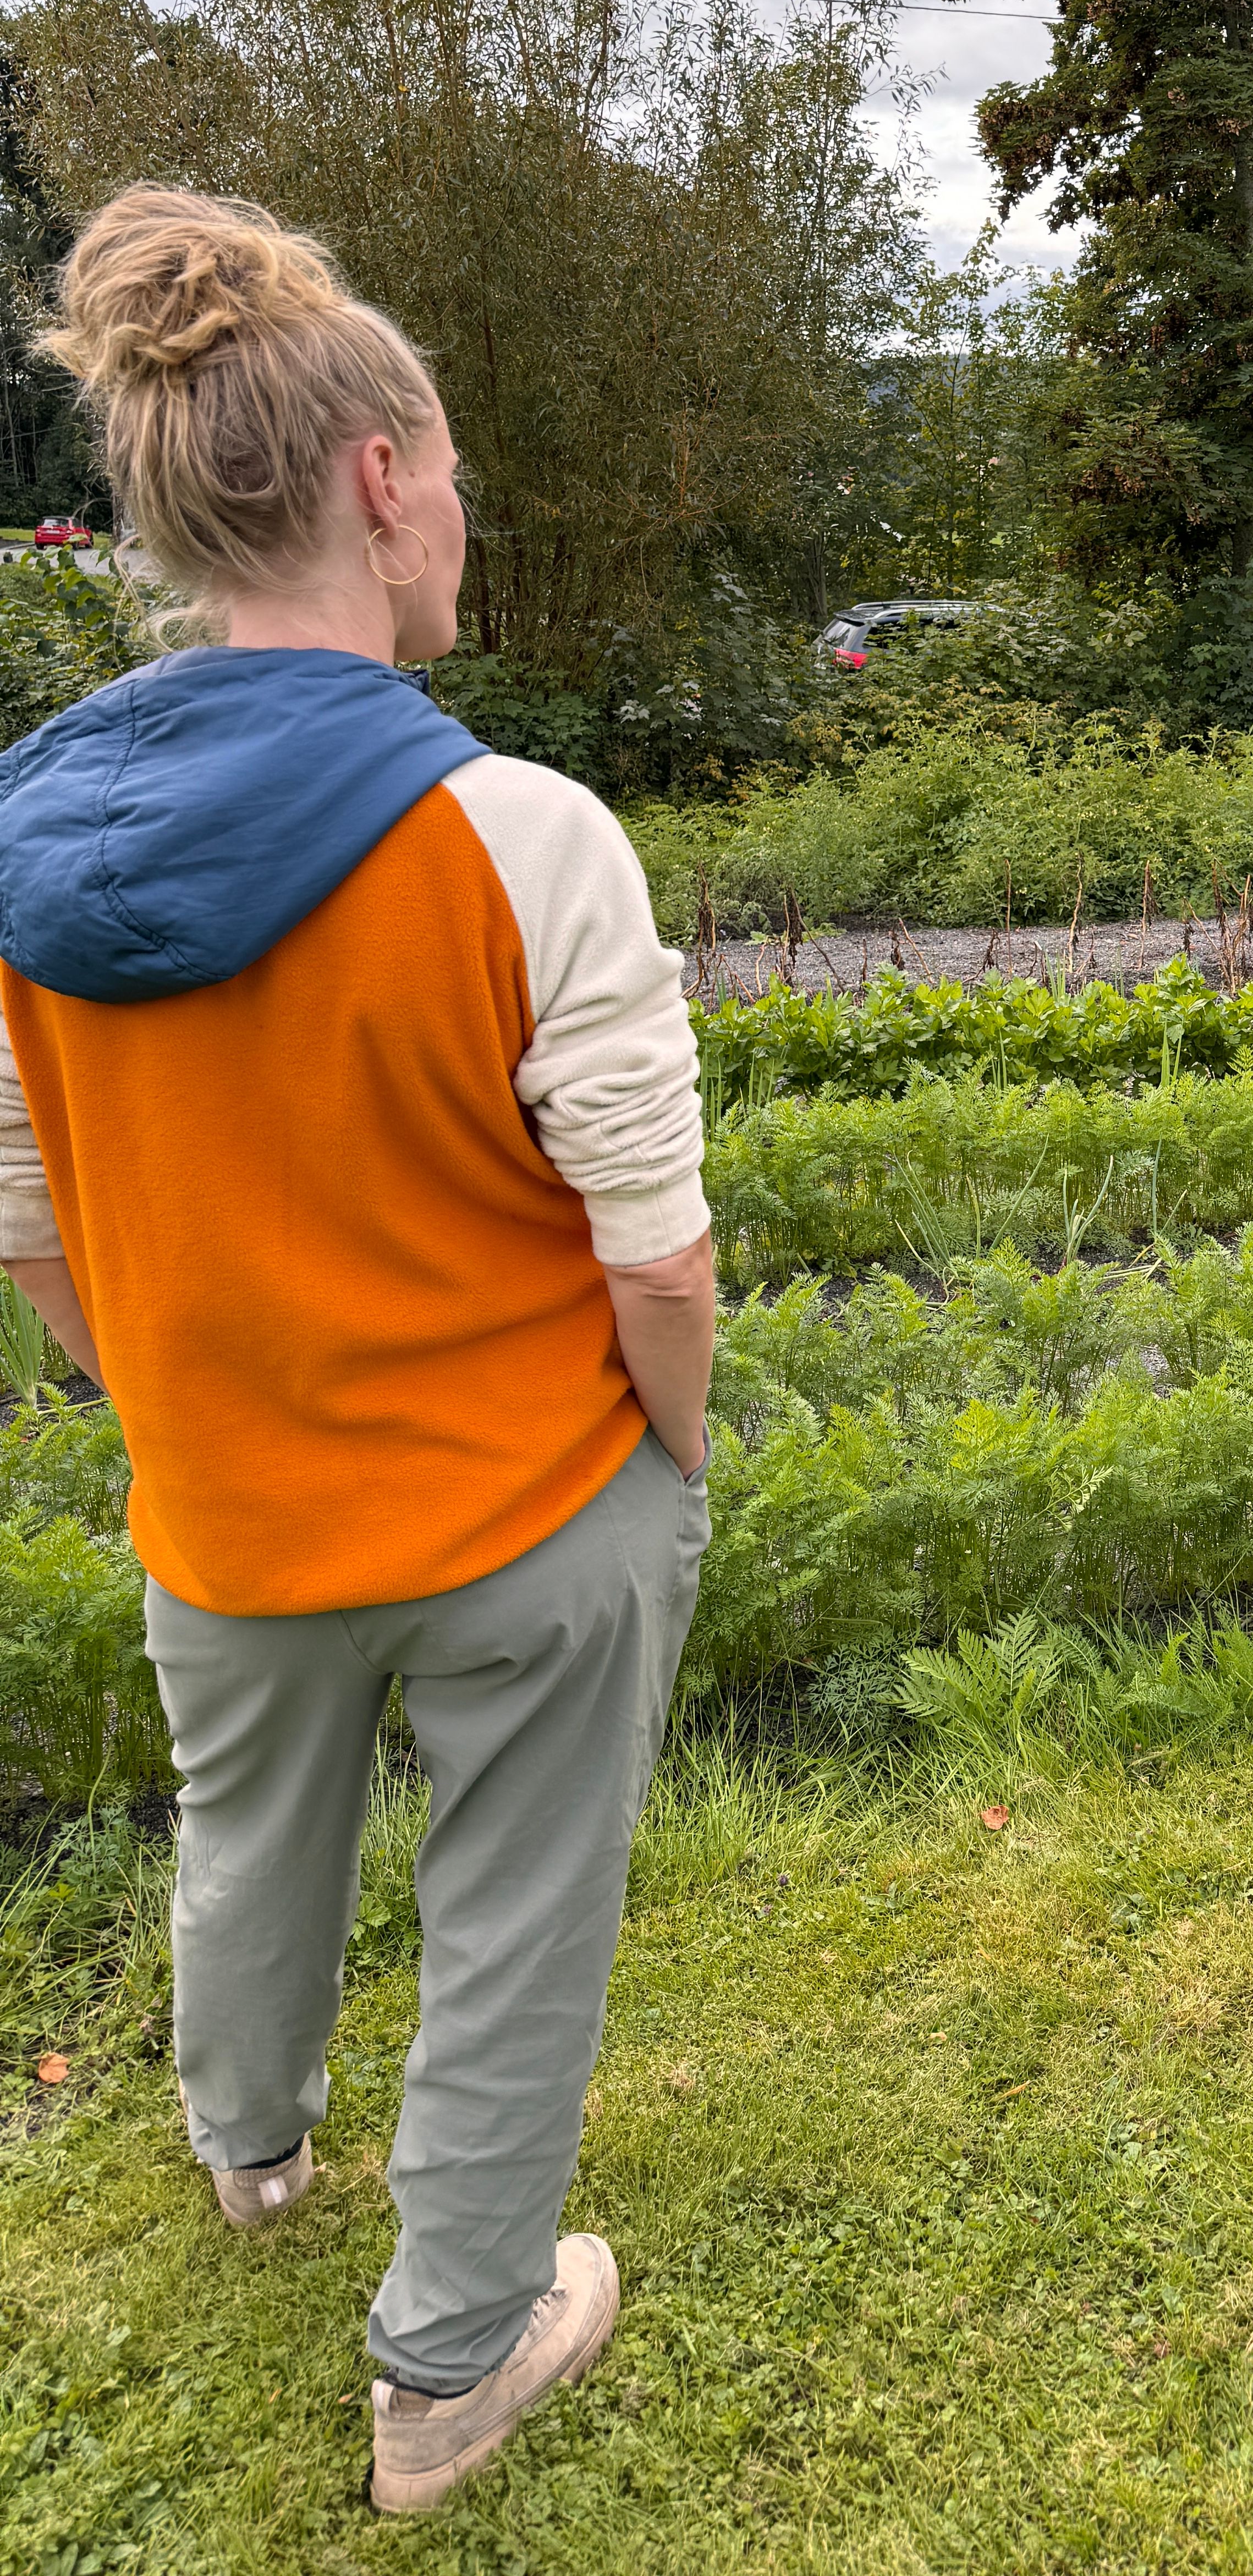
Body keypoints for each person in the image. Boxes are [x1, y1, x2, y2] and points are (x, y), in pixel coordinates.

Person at [0, 191, 714, 2507]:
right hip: (521, 1506)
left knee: (250, 1831)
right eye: (456, 489)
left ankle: (250, 2149)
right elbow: (657, 1257)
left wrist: (172, 1402)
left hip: (228, 1511)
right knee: (514, 1919)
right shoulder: (519, 835)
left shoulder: (20, 849)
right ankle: (450, 2371)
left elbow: (28, 1228)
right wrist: (665, 1463)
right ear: (381, 477)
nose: (462, 536)